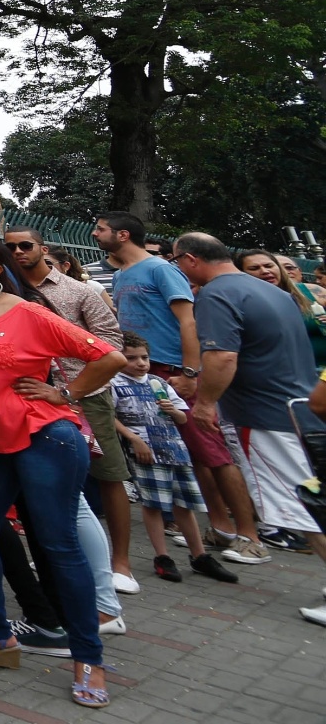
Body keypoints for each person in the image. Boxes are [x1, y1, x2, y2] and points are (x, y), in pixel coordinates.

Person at [0, 234, 125, 711]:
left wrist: (66, 394)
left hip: (46, 438)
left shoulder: (29, 313)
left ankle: (87, 656)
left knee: (58, 546)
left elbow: (110, 357)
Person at [94, 212, 268, 567]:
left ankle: (251, 535)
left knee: (212, 451)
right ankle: (220, 526)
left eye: (100, 229)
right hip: (145, 370)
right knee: (187, 454)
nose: (96, 234)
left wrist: (190, 371)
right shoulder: (124, 273)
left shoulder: (160, 268)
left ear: (123, 234)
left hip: (175, 369)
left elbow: (188, 319)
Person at [170, 233, 326, 621]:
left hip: (266, 415)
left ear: (190, 260)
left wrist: (205, 403)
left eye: (177, 260)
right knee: (309, 498)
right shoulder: (271, 291)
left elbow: (222, 356)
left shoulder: (217, 294)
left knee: (303, 505)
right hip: (296, 407)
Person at [4, 227, 136, 594]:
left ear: (42, 248)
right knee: (51, 483)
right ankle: (59, 556)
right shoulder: (8, 291)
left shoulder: (78, 291)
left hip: (83, 393)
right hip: (32, 396)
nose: (17, 251)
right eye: (10, 247)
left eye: (25, 245)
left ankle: (120, 564)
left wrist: (68, 389)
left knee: (108, 473)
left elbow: (112, 344)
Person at [109, 331, 237, 584]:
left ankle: (199, 555)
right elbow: (109, 417)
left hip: (174, 449)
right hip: (146, 452)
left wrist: (171, 410)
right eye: (131, 358)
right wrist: (134, 439)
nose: (140, 363)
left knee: (184, 503)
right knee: (154, 504)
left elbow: (182, 417)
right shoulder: (114, 384)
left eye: (144, 357)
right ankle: (162, 556)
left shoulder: (159, 383)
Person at [240, 249, 326, 369]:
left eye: (269, 266)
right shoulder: (241, 304)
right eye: (254, 268)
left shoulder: (312, 291)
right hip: (286, 377)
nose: (265, 271)